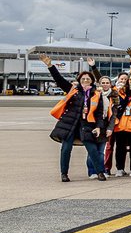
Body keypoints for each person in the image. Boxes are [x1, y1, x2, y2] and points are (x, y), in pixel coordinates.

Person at [41, 54, 108, 182]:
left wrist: (99, 127)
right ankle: (64, 173)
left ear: (92, 81)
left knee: (92, 150)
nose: (85, 81)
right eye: (83, 79)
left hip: (86, 125)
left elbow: (99, 114)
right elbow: (59, 80)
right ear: (79, 80)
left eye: (88, 79)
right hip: (70, 124)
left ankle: (100, 172)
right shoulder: (73, 90)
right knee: (66, 149)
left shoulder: (96, 94)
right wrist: (50, 66)